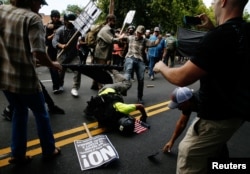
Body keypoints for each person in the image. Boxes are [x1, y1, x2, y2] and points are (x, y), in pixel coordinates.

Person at [153, 0, 250, 172]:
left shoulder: (217, 37)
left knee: (188, 154)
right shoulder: (244, 31)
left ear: (224, 1)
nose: (212, 5)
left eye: (214, 1)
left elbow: (181, 77)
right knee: (215, 148)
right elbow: (231, 52)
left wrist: (162, 66)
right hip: (237, 114)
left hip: (216, 116)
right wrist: (214, 28)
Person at [0, 0, 62, 164]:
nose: (40, 6)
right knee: (41, 113)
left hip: (5, 78)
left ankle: (17, 154)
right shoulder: (33, 19)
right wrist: (53, 64)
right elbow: (39, 53)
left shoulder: (2, 10)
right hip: (25, 81)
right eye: (40, 2)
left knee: (19, 112)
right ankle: (49, 150)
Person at [162, 87, 229, 158]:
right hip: (209, 114)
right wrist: (171, 141)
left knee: (209, 133)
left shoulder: (204, 103)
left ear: (186, 102)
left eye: (179, 105)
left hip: (225, 115)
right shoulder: (188, 103)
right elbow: (182, 123)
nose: (178, 108)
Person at [83, 70, 148, 135]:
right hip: (102, 93)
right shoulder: (109, 122)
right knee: (125, 84)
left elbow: (140, 106)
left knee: (123, 83)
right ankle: (113, 71)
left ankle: (113, 71)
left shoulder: (120, 109)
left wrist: (144, 117)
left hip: (108, 89)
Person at [122, 25, 162, 104]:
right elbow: (119, 39)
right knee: (128, 73)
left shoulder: (144, 40)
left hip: (139, 60)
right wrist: (119, 36)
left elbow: (154, 44)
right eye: (137, 32)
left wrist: (159, 39)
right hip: (130, 57)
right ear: (136, 32)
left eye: (140, 33)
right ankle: (123, 89)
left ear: (143, 33)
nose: (138, 34)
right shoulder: (130, 37)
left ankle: (140, 97)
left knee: (141, 79)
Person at [52, 12, 82, 97]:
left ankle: (75, 88)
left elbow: (85, 33)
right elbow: (54, 41)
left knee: (78, 69)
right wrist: (61, 45)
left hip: (74, 55)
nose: (72, 23)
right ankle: (60, 85)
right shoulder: (60, 30)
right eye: (69, 21)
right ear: (65, 21)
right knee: (61, 71)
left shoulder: (77, 30)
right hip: (62, 55)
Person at [91, 14, 121, 90]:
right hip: (101, 53)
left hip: (104, 53)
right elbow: (111, 40)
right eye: (114, 21)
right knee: (101, 70)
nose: (115, 22)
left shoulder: (109, 29)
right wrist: (120, 38)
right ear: (109, 20)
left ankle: (94, 84)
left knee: (99, 69)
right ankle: (100, 87)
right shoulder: (105, 30)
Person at [45, 10, 63, 94]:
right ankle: (55, 86)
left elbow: (63, 26)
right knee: (52, 67)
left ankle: (60, 84)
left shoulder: (60, 24)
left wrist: (55, 26)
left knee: (60, 67)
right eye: (54, 17)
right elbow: (47, 38)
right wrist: (54, 34)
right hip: (51, 49)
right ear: (52, 17)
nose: (56, 18)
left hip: (59, 47)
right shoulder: (48, 26)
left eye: (57, 17)